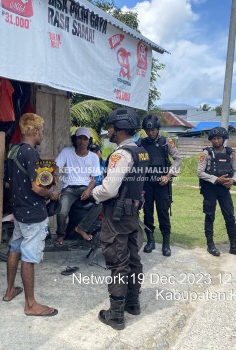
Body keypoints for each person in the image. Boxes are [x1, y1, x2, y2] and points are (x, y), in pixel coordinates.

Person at [92, 107, 149, 330]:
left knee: (118, 261)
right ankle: (132, 303)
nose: (108, 131)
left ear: (118, 129)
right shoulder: (140, 151)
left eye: (110, 127)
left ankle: (115, 315)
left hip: (116, 214)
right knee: (133, 259)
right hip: (132, 212)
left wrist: (95, 194)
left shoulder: (120, 154)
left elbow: (109, 189)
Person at [3, 113, 60, 316]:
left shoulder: (13, 151)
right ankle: (30, 304)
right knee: (28, 255)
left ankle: (10, 291)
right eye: (42, 131)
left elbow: (8, 182)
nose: (42, 134)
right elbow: (37, 188)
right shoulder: (31, 154)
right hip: (33, 214)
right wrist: (51, 194)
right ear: (35, 131)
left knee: (15, 248)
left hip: (18, 211)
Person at [197, 126, 236, 258]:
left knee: (230, 216)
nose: (216, 141)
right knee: (210, 216)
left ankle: (234, 246)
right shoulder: (206, 153)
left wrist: (233, 181)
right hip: (210, 189)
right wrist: (216, 179)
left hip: (224, 189)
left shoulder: (230, 153)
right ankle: (210, 245)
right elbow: (200, 172)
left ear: (224, 139)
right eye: (214, 138)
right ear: (211, 140)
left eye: (219, 138)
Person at [140, 115, 182, 257]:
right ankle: (150, 241)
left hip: (162, 183)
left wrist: (168, 176)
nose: (150, 132)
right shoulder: (142, 143)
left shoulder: (166, 142)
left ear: (158, 129)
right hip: (147, 184)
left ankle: (166, 243)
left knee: (163, 213)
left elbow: (178, 159)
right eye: (147, 130)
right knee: (148, 213)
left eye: (152, 129)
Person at [55, 127, 101, 244]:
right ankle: (61, 235)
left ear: (89, 141)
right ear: (75, 140)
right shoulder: (67, 152)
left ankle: (82, 228)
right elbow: (55, 167)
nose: (82, 141)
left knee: (101, 201)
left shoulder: (94, 157)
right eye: (79, 138)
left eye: (85, 139)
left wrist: (88, 190)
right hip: (69, 189)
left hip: (85, 188)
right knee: (62, 212)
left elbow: (93, 179)